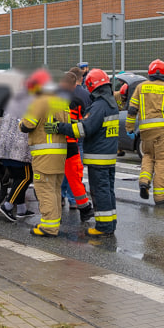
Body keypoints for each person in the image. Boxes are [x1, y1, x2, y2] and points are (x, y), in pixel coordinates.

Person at [49, 68, 119, 235]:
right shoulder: (110, 104)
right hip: (108, 156)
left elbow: (84, 129)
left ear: (92, 85)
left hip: (98, 157)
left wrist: (60, 127)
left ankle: (104, 227)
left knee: (100, 191)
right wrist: (75, 121)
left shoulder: (99, 105)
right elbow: (91, 124)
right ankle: (110, 224)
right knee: (108, 191)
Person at [20, 69, 71, 237]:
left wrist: (21, 121)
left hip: (44, 155)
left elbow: (27, 124)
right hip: (59, 155)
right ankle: (53, 223)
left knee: (45, 190)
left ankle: (49, 227)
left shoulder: (40, 101)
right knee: (55, 190)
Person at [125, 59, 164, 205]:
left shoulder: (141, 87)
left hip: (145, 133)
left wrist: (129, 129)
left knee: (148, 157)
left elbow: (132, 110)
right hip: (162, 133)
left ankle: (144, 181)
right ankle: (160, 197)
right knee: (162, 162)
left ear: (150, 72)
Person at [0, 88, 36, 221]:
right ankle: (8, 206)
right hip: (19, 149)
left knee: (17, 178)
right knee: (26, 177)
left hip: (4, 148)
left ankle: (21, 209)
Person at [58, 70, 93, 223]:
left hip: (55, 144)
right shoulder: (79, 99)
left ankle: (59, 201)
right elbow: (81, 123)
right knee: (75, 177)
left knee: (54, 178)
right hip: (72, 144)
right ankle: (82, 207)